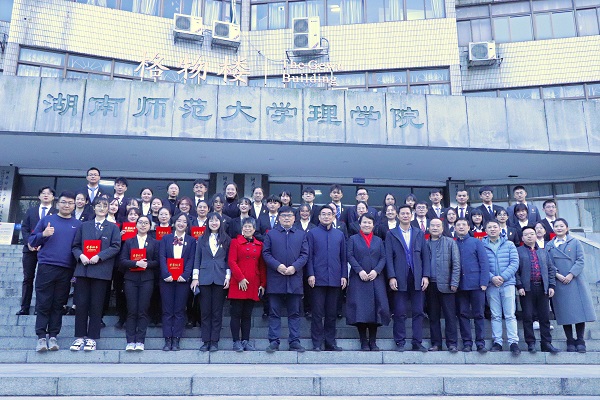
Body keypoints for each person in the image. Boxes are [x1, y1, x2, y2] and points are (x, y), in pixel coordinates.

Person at [29, 191, 81, 352]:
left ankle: (53, 336)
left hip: (66, 269)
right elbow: (31, 240)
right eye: (64, 202)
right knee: (43, 303)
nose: (67, 205)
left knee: (59, 304)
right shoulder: (47, 220)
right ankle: (40, 336)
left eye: (70, 203)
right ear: (58, 203)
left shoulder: (78, 224)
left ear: (74, 205)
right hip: (47, 266)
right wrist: (43, 234)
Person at [70, 197, 121, 352]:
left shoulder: (113, 228)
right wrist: (81, 256)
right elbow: (75, 246)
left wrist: (100, 256)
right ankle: (79, 336)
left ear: (108, 209)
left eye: (105, 206)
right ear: (94, 208)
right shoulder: (84, 226)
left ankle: (92, 337)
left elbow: (116, 246)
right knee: (81, 304)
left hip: (101, 271)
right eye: (98, 205)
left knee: (96, 305)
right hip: (83, 269)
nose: (101, 208)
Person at [545, 218, 597, 353]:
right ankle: (569, 340)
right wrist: (557, 275)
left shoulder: (575, 242)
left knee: (579, 312)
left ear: (567, 228)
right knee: (564, 313)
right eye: (556, 226)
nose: (559, 228)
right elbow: (549, 264)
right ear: (553, 229)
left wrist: (571, 274)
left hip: (575, 280)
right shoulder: (549, 245)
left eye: (561, 226)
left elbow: (580, 260)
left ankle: (580, 340)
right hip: (559, 281)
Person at [262, 206, 309, 352]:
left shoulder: (301, 234)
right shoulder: (271, 234)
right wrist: (278, 266)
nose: (287, 218)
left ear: (294, 218)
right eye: (283, 216)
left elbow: (305, 254)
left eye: (289, 215)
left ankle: (294, 341)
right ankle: (274, 341)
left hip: (294, 278)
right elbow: (266, 253)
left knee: (294, 313)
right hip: (276, 278)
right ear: (279, 218)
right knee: (274, 312)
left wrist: (295, 267)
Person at [386, 204, 431, 352]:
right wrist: (391, 276)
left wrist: (426, 276)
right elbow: (388, 257)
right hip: (399, 277)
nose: (405, 216)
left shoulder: (419, 233)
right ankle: (400, 342)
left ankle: (417, 342)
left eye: (408, 213)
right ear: (398, 216)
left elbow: (425, 256)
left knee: (418, 311)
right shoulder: (391, 234)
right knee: (399, 311)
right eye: (403, 213)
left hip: (417, 276)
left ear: (412, 216)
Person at [346, 213, 390, 351]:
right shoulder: (353, 239)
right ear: (360, 224)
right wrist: (359, 270)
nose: (367, 225)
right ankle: (363, 341)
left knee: (376, 309)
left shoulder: (378, 240)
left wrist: (376, 271)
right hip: (359, 279)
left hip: (375, 279)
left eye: (369, 223)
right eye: (364, 222)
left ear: (373, 225)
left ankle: (373, 341)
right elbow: (350, 256)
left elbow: (383, 257)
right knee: (360, 310)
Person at [307, 205, 347, 351]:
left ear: (333, 216)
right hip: (317, 279)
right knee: (317, 313)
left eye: (329, 214)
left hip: (335, 278)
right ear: (319, 217)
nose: (326, 216)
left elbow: (343, 258)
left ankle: (330, 342)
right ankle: (317, 343)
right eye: (323, 214)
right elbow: (309, 256)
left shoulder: (339, 235)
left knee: (331, 313)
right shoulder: (312, 234)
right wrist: (310, 273)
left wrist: (344, 275)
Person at [191, 212, 231, 352]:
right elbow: (197, 258)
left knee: (217, 312)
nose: (214, 223)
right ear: (207, 223)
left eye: (216, 220)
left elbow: (228, 260)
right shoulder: (202, 239)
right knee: (205, 311)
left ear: (221, 223)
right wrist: (195, 278)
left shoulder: (226, 239)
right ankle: (205, 340)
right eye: (211, 221)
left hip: (220, 277)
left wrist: (228, 277)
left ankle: (214, 341)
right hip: (204, 277)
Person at [516, 226, 559, 354]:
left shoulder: (543, 251)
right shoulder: (518, 251)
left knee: (544, 317)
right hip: (527, 288)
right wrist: (519, 286)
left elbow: (550, 269)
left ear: (536, 236)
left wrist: (551, 286)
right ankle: (531, 343)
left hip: (542, 287)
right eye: (526, 234)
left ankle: (546, 343)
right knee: (528, 316)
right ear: (522, 238)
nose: (529, 236)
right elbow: (516, 271)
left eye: (532, 234)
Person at [119, 215, 159, 351]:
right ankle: (130, 340)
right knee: (132, 310)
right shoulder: (129, 242)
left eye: (146, 223)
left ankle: (140, 340)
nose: (143, 225)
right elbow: (122, 260)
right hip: (131, 279)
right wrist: (136, 263)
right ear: (136, 225)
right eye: (140, 222)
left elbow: (157, 261)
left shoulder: (154, 242)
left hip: (147, 279)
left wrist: (146, 264)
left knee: (143, 310)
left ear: (150, 226)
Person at [482, 219, 520, 355]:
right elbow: (481, 264)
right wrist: (492, 277)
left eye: (495, 227)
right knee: (495, 315)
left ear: (500, 229)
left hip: (508, 283)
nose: (492, 229)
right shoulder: (482, 245)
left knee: (510, 315)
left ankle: (513, 342)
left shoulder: (509, 244)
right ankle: (497, 342)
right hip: (491, 285)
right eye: (489, 227)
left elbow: (514, 263)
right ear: (485, 230)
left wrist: (503, 277)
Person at [227, 217, 266, 352]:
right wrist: (240, 278)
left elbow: (261, 266)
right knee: (236, 313)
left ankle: (245, 340)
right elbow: (232, 261)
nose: (248, 229)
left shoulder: (259, 245)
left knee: (247, 314)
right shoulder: (235, 242)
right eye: (245, 226)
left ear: (254, 229)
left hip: (253, 283)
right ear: (242, 228)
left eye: (250, 227)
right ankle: (236, 341)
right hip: (238, 283)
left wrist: (263, 283)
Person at [159, 213, 196, 351]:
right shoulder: (166, 238)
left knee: (179, 310)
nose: (181, 223)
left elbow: (191, 259)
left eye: (184, 222)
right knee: (167, 310)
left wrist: (185, 275)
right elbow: (162, 257)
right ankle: (167, 339)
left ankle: (176, 339)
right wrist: (166, 274)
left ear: (187, 225)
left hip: (182, 280)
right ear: (174, 223)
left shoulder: (191, 241)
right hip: (167, 280)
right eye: (179, 221)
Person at [18, 186, 57, 316]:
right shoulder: (31, 211)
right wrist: (29, 243)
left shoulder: (56, 212)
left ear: (53, 197)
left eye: (49, 193)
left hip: (47, 250)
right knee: (28, 278)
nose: (46, 195)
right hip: (29, 250)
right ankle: (24, 307)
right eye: (43, 193)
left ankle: (39, 307)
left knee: (43, 280)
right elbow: (25, 228)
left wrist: (41, 244)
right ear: (39, 196)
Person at [455, 217, 489, 353]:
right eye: (458, 225)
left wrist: (484, 282)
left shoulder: (476, 242)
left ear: (468, 227)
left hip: (477, 284)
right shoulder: (453, 243)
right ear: (455, 228)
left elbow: (484, 262)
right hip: (460, 285)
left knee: (479, 314)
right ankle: (467, 343)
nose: (461, 227)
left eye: (464, 225)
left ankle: (480, 343)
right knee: (463, 314)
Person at [426, 218, 460, 352]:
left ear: (442, 228)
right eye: (432, 225)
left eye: (438, 226)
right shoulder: (424, 243)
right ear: (428, 228)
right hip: (430, 285)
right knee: (433, 316)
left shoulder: (450, 242)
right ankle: (436, 343)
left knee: (450, 316)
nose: (435, 228)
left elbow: (456, 264)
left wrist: (454, 282)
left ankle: (452, 344)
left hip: (447, 285)